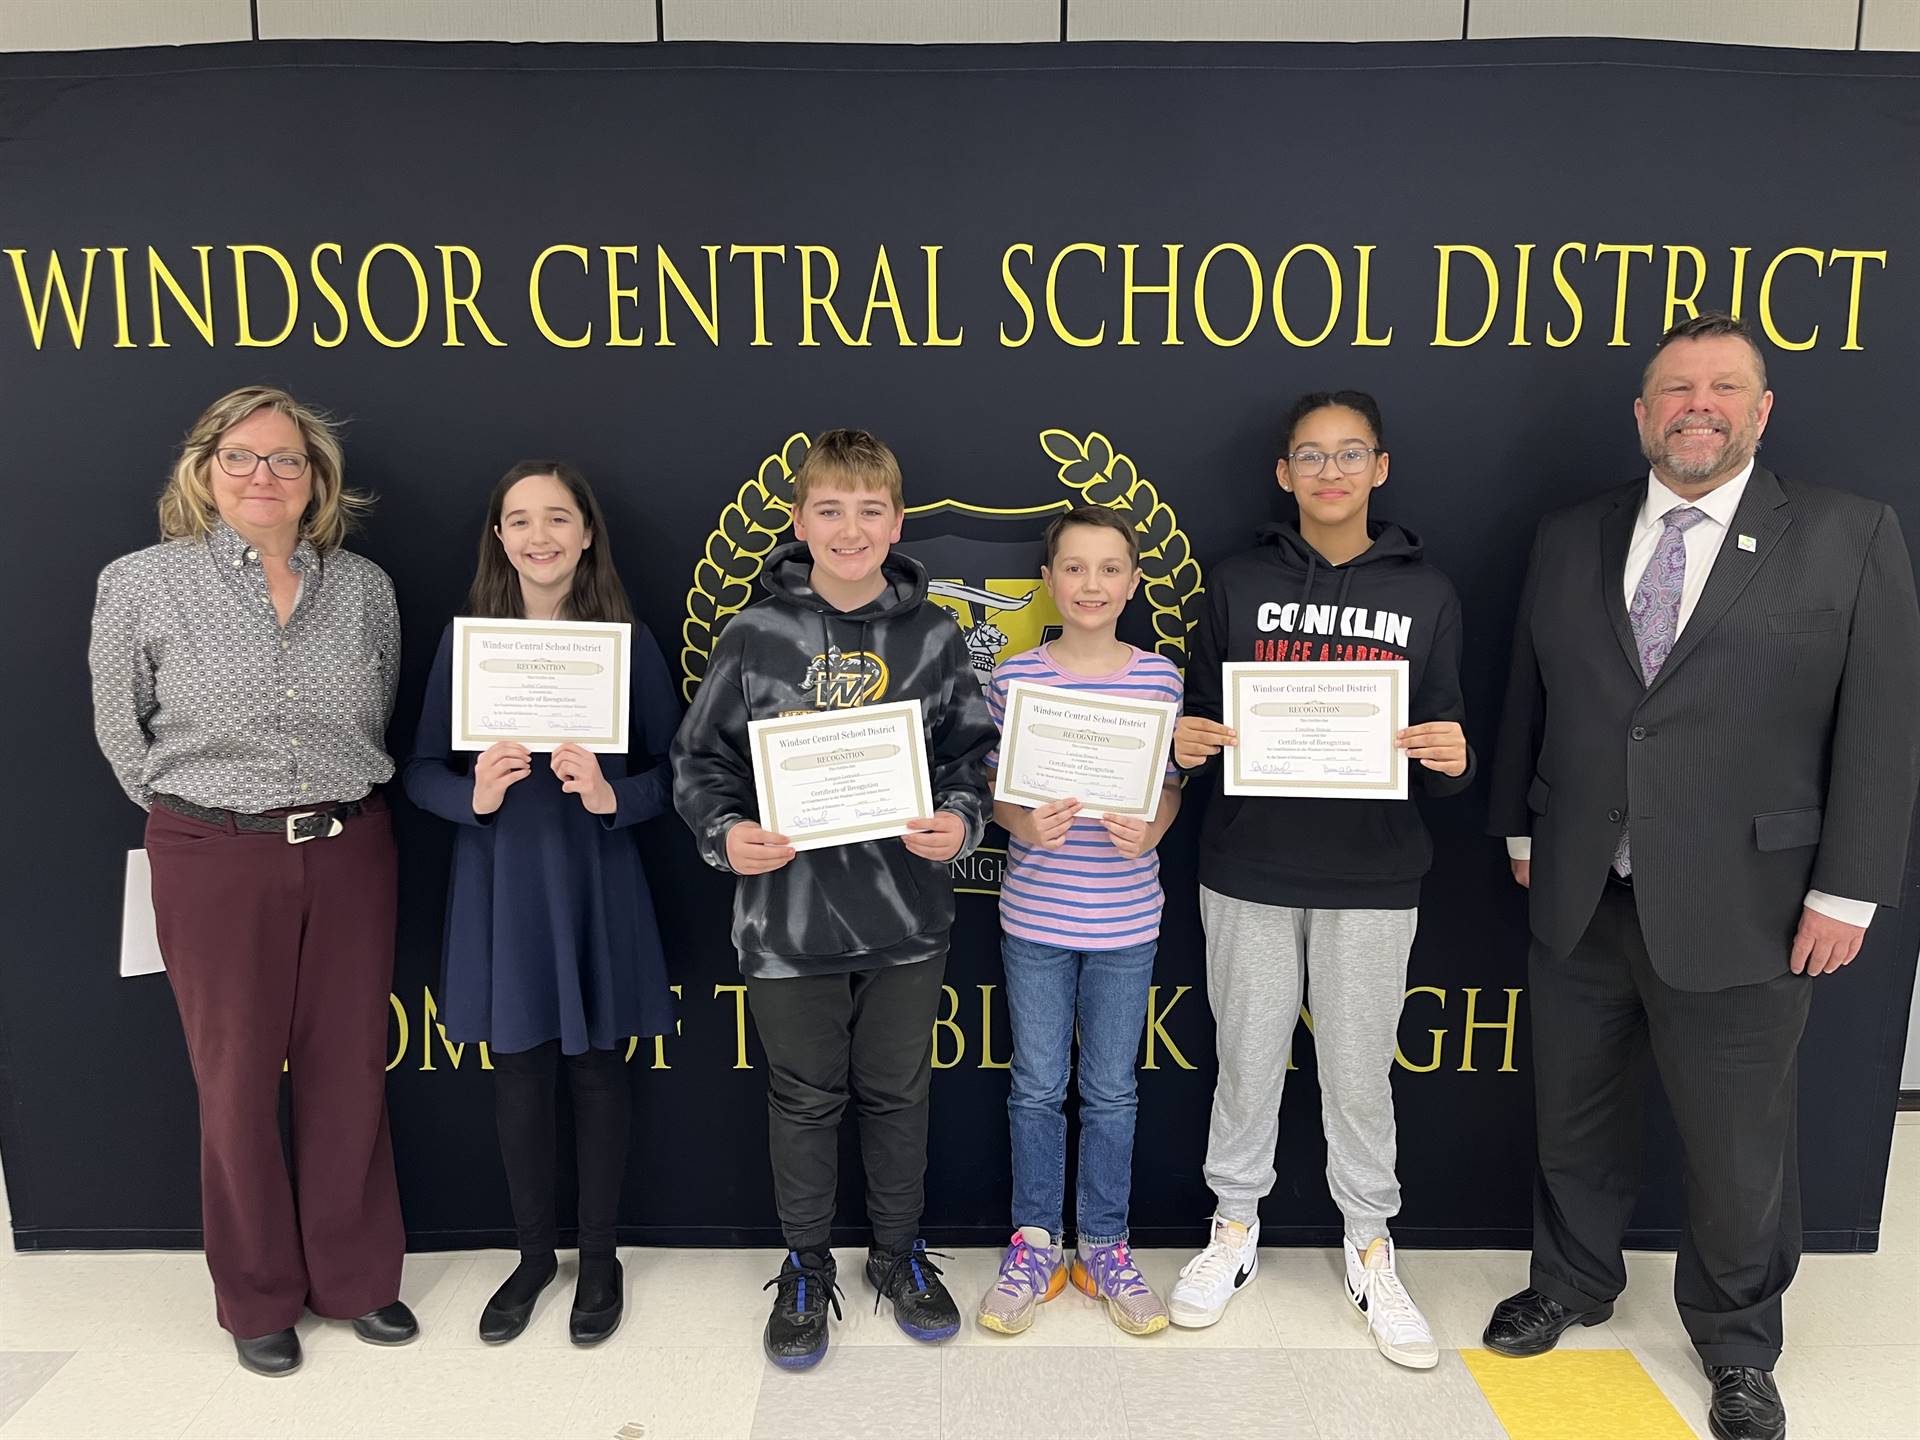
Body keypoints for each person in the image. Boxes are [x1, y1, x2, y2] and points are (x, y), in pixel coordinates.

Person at [1483, 312, 1920, 1440]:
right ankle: (1573, 1282)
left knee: (1738, 1145)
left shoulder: (1847, 535)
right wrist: (1523, 832)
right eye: (1676, 388)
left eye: (1725, 387)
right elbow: (1533, 695)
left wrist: (1850, 890)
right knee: (1573, 1116)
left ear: (1761, 412)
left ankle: (1735, 1341)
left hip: (1754, 907)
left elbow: (1882, 731)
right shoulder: (1572, 534)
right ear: (1642, 413)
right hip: (1583, 891)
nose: (1698, 405)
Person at [87, 386, 414, 1376]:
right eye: (242, 457)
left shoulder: (363, 588)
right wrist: (204, 814)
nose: (264, 476)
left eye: (285, 460)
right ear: (205, 470)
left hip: (352, 848)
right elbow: (120, 727)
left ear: (317, 481)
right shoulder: (142, 582)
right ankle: (257, 1297)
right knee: (232, 1082)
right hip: (213, 853)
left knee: (349, 1070)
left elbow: (378, 711)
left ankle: (356, 1280)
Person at [671, 427, 996, 1369]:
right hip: (787, 919)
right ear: (800, 519)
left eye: (868, 510)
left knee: (898, 1093)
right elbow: (700, 763)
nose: (850, 528)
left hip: (906, 916)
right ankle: (808, 1265)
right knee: (804, 1098)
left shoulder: (933, 633)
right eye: (830, 509)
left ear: (896, 522)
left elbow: (972, 754)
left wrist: (963, 818)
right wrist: (726, 835)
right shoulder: (756, 634)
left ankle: (898, 1256)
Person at [1167, 389, 1473, 1370]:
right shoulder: (1236, 580)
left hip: (1376, 872)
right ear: (1283, 472)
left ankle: (1372, 1247)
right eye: (1311, 455)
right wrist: (1188, 741)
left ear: (1380, 468)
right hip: (1249, 863)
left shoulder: (1428, 593)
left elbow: (1449, 737)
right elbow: (1199, 725)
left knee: (1356, 1072)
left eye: (1350, 455)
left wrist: (1451, 756)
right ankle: (1234, 1231)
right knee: (1246, 1061)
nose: (1330, 472)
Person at [403, 461, 679, 1347]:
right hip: (503, 881)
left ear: (588, 533)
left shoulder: (628, 644)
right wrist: (472, 795)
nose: (539, 536)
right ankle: (531, 1257)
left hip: (595, 877)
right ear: (498, 537)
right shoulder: (469, 644)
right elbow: (417, 774)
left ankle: (599, 1259)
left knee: (599, 1069)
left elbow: (677, 775)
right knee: (519, 1069)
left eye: (558, 518)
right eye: (519, 520)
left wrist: (611, 796)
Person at [973, 506, 1184, 1338]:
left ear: (1132, 583)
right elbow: (992, 789)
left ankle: (1103, 1242)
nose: (1091, 584)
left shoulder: (1159, 679)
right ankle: (1032, 1242)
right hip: (1035, 916)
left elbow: (1169, 785)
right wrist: (1021, 824)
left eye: (1108, 569)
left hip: (1128, 919)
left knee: (1110, 1091)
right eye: (1073, 568)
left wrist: (1156, 827)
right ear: (1049, 581)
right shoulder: (1015, 678)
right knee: (1035, 1087)